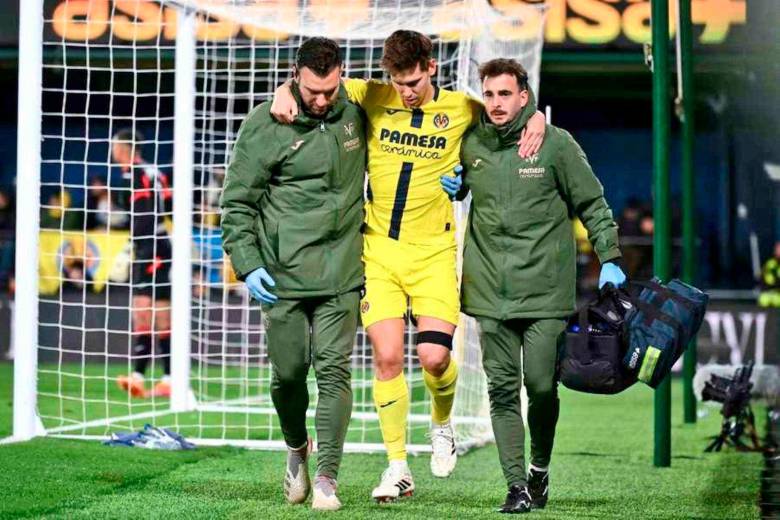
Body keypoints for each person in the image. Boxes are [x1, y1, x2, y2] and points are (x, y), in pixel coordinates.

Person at [271, 30, 546, 501]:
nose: (407, 90)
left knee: (435, 358)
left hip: (435, 253)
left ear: (432, 68)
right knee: (388, 357)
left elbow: (508, 112)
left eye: (414, 80)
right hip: (378, 251)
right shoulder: (373, 95)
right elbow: (315, 86)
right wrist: (281, 88)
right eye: (398, 81)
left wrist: (536, 113)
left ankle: (442, 423)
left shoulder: (463, 109)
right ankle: (397, 466)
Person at [440, 58, 625, 514]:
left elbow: (592, 202)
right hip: (488, 291)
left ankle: (539, 470)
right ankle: (515, 486)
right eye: (490, 94)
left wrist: (610, 257)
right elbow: (452, 176)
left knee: (541, 386)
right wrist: (456, 185)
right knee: (501, 391)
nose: (497, 103)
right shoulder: (470, 144)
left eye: (506, 94)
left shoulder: (555, 144)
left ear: (525, 96)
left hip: (544, 291)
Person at [221, 37, 367, 511]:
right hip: (281, 274)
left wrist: (531, 118)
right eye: (311, 91)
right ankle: (295, 448)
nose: (321, 100)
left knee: (334, 370)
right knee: (288, 375)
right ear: (294, 77)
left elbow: (429, 107)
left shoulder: (360, 110)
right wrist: (248, 263)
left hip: (343, 271)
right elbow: (237, 204)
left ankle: (327, 477)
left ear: (342, 74)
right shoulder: (266, 123)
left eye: (329, 90)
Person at [112, 129, 173, 399]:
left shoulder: (132, 175)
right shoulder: (156, 171)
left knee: (143, 309)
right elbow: (168, 206)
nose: (113, 152)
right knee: (159, 310)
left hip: (149, 246)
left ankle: (143, 375)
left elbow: (144, 214)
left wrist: (136, 244)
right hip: (161, 241)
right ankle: (164, 377)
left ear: (124, 149)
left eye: (115, 147)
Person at [759, 241, 780, 308]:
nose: (778, 251)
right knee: (764, 300)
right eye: (777, 249)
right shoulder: (770, 263)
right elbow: (766, 279)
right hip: (769, 292)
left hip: (778, 294)